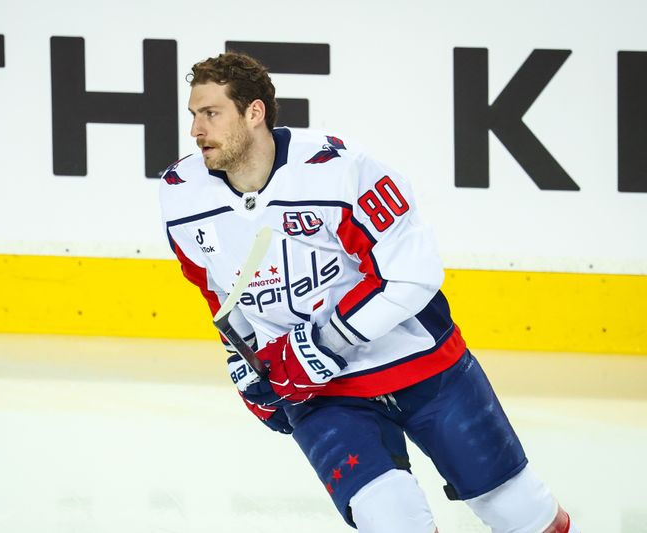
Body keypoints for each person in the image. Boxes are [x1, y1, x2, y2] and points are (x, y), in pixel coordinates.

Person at [158, 51, 579, 533]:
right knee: (391, 522)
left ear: (254, 113)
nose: (195, 130)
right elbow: (217, 292)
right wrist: (244, 359)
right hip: (320, 392)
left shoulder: (339, 170)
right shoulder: (182, 194)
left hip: (420, 365)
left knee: (522, 513)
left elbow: (413, 273)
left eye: (210, 114)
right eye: (193, 115)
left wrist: (323, 344)